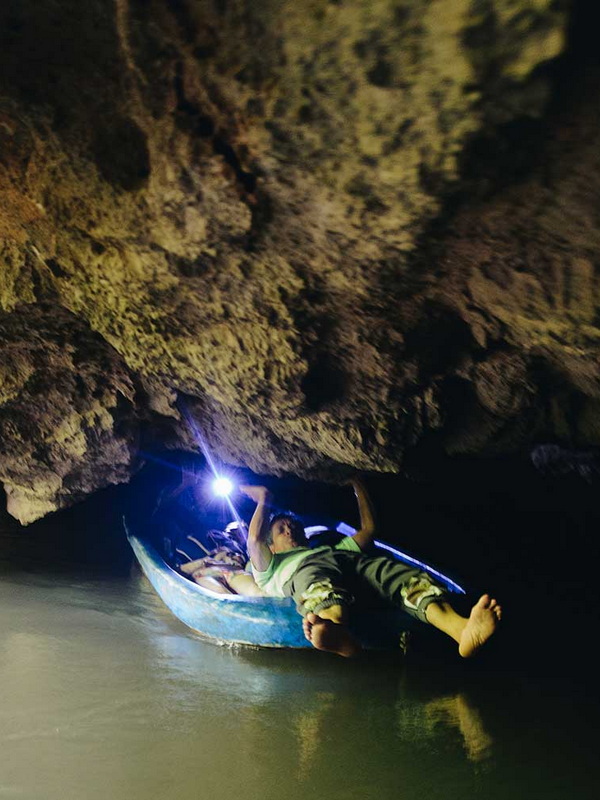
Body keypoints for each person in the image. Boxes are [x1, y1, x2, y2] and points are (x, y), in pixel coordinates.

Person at [240, 479, 501, 658]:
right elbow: (253, 539)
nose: (290, 529)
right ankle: (334, 622)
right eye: (281, 529)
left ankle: (461, 630)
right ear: (271, 545)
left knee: (396, 575)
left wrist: (358, 485)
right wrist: (264, 499)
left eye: (294, 526)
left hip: (348, 565)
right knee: (315, 578)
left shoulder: (330, 547)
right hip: (309, 574)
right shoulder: (269, 566)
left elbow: (370, 531)